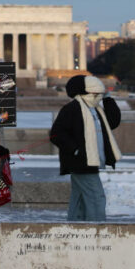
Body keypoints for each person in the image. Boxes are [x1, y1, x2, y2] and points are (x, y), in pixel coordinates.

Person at [50, 75, 122, 221]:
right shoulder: (72, 109)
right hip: (81, 161)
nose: (97, 97)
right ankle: (97, 230)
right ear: (84, 93)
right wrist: (76, 150)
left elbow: (113, 122)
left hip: (91, 161)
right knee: (96, 196)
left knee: (80, 199)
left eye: (99, 94)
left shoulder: (96, 110)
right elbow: (56, 134)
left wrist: (108, 99)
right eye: (95, 94)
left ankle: (76, 227)